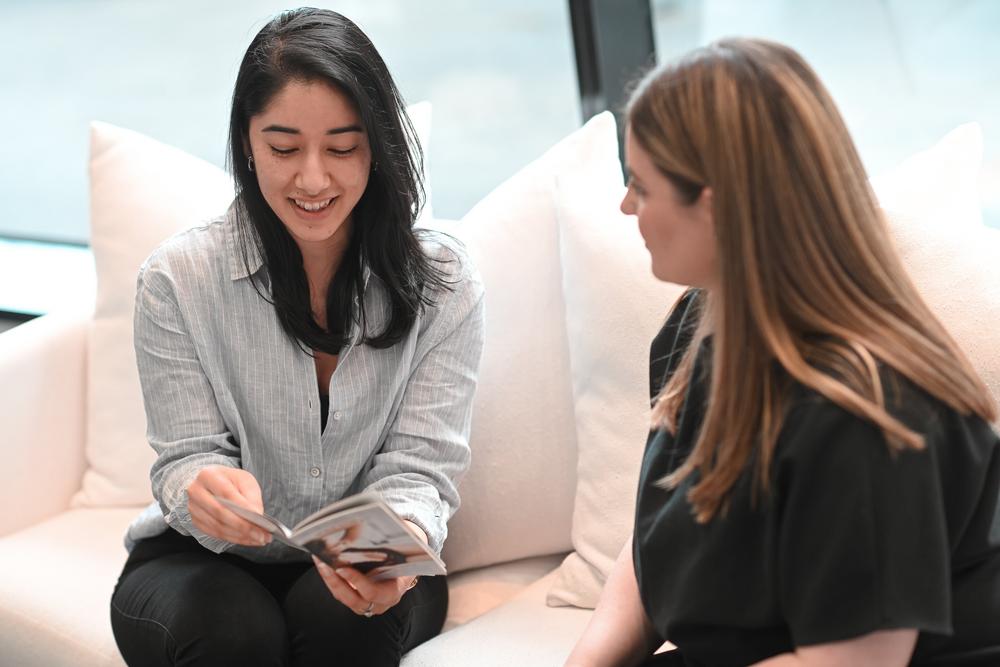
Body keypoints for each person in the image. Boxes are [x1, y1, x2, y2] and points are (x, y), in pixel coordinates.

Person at [565, 38, 1000, 667]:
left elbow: (852, 663)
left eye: (642, 186)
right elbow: (656, 538)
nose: (626, 205)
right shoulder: (699, 328)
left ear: (716, 209)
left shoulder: (869, 418)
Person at [110, 8, 484, 667]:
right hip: (201, 561)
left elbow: (421, 469)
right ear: (248, 144)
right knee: (234, 631)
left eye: (342, 147)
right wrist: (202, 487)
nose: (313, 179)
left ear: (379, 145)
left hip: (369, 558)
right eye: (284, 148)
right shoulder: (177, 279)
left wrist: (388, 555)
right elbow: (185, 456)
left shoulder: (443, 283)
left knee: (346, 619)